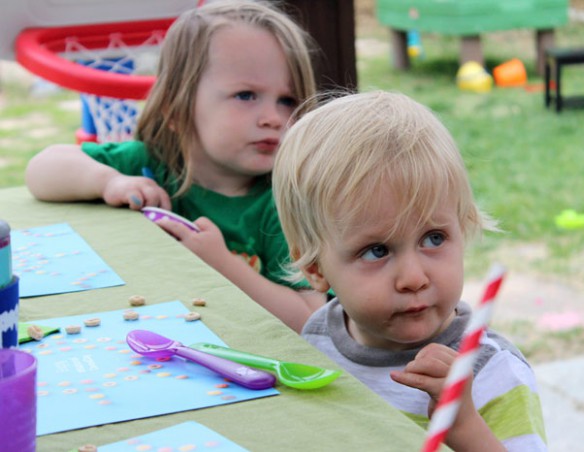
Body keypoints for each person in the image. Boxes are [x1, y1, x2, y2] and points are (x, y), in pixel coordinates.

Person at [25, 0, 326, 332]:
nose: (274, 118)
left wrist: (223, 265)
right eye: (246, 95)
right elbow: (41, 169)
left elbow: (311, 321)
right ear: (175, 107)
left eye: (288, 100)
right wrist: (109, 182)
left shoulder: (285, 201)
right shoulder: (146, 165)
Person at [272, 91, 546, 451]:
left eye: (433, 239)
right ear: (315, 268)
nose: (414, 278)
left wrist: (463, 425)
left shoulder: (490, 371)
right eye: (377, 250)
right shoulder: (319, 339)